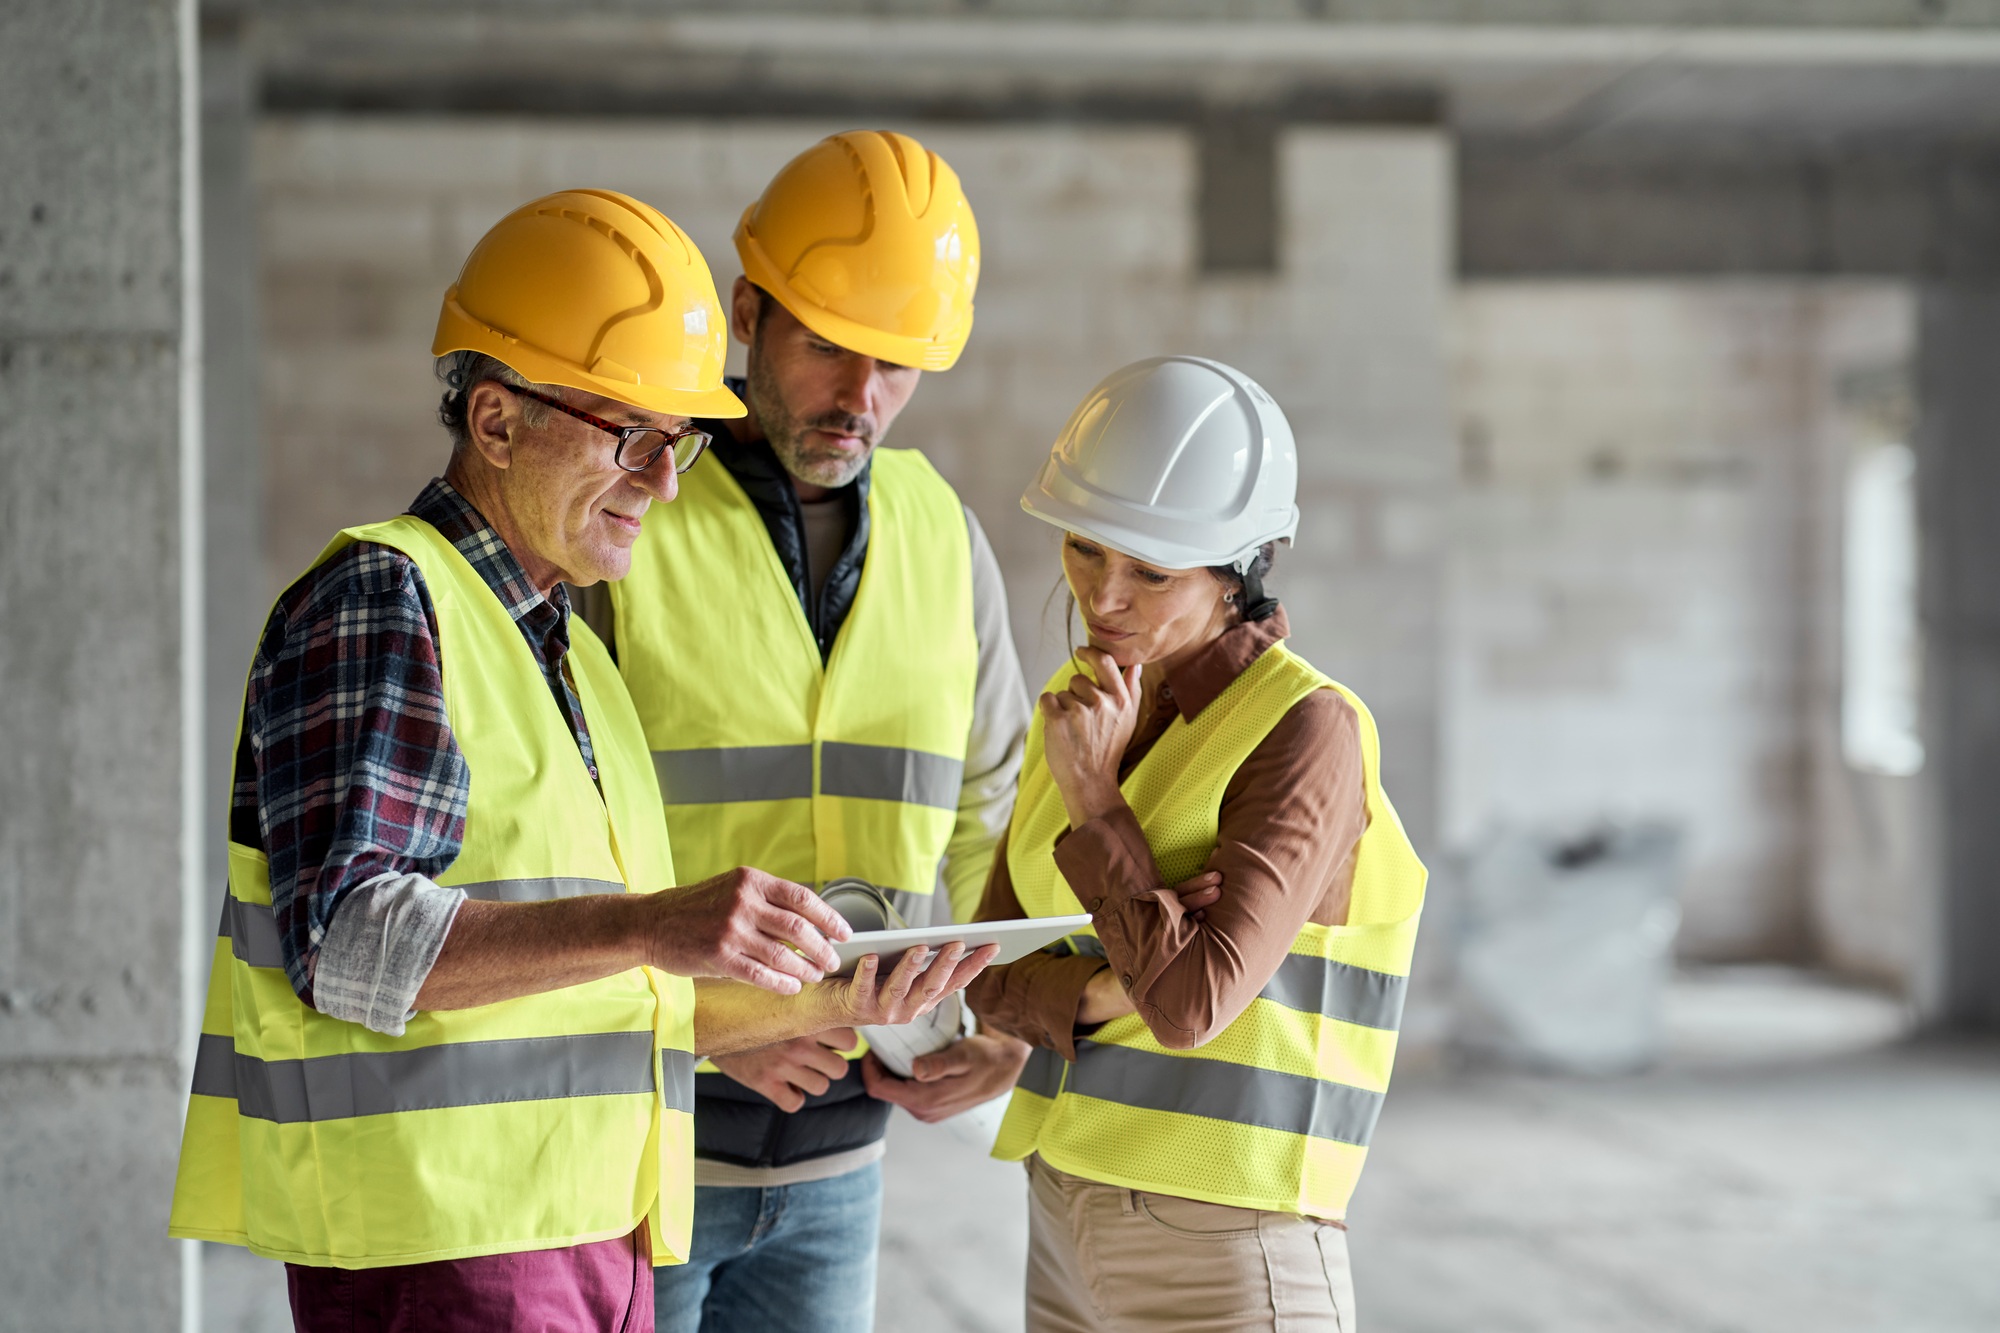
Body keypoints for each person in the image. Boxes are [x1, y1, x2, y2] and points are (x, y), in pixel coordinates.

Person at [167, 188, 994, 1333]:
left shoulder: (572, 658)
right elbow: (348, 943)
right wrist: (653, 923)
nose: (665, 481)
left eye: (678, 443)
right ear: (496, 421)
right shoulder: (386, 597)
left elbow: (589, 996)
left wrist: (841, 1001)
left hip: (588, 1229)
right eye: (631, 438)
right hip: (450, 1242)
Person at [584, 131, 1033, 1333]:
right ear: (746, 314)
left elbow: (994, 813)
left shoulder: (942, 534)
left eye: (895, 364)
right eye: (829, 344)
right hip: (642, 1145)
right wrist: (699, 1027)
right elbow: (547, 839)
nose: (859, 397)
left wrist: (1006, 1023)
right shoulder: (626, 516)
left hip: (845, 1164)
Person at [966, 356, 1428, 1332]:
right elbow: (988, 975)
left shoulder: (1305, 731)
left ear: (1238, 572)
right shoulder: (1079, 710)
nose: (1103, 597)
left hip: (1230, 1238)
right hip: (1061, 1211)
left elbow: (1185, 1004)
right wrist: (1108, 987)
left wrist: (1097, 801)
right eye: (1084, 549)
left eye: (1151, 571)